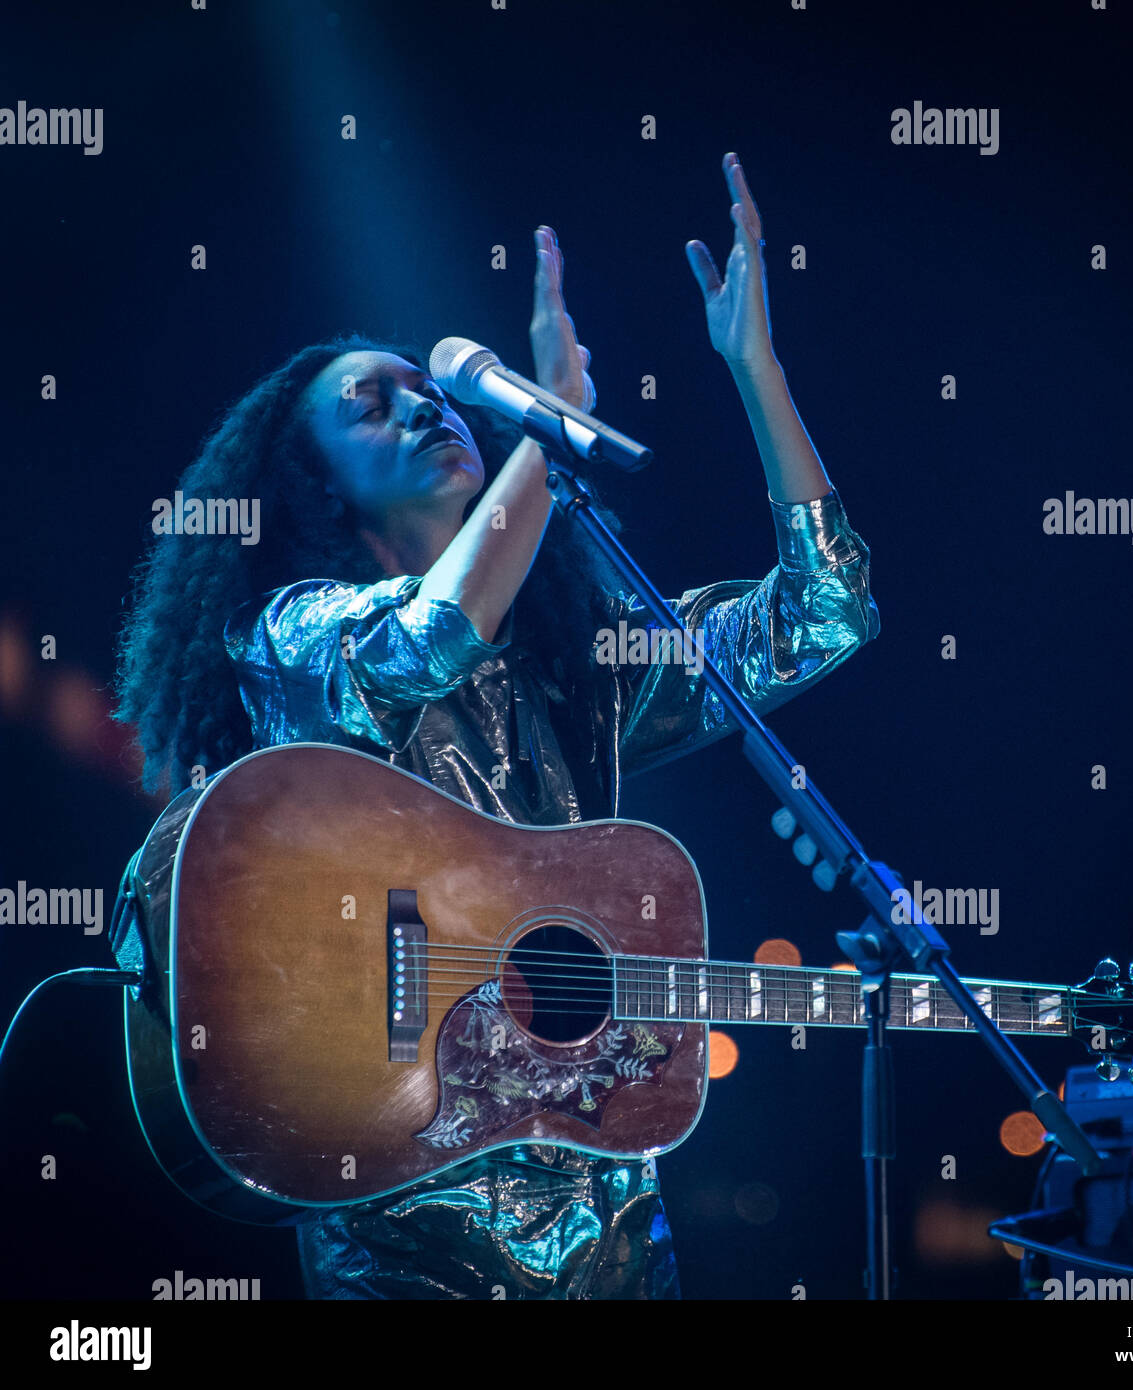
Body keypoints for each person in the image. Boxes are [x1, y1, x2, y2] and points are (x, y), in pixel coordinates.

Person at [113, 153, 881, 1298]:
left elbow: (823, 615)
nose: (425, 401)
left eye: (429, 388)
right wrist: (552, 424)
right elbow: (429, 639)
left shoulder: (571, 661)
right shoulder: (287, 637)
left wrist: (755, 369)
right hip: (403, 1223)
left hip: (610, 1212)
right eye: (372, 403)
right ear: (315, 489)